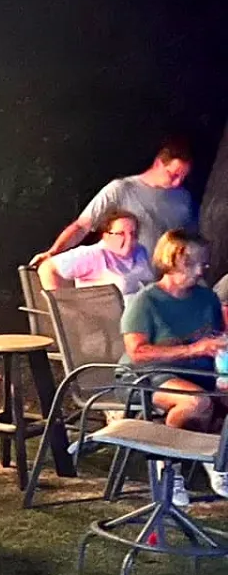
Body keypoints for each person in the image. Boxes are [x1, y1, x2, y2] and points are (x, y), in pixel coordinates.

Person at [122, 229, 228, 433]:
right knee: (196, 402)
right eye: (190, 264)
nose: (199, 272)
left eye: (203, 264)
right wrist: (193, 350)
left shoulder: (207, 298)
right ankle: (169, 460)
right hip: (149, 375)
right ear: (169, 260)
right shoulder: (146, 301)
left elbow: (216, 339)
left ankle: (209, 458)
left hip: (198, 372)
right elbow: (138, 353)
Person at [32, 138, 196, 270]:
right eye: (173, 175)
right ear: (159, 163)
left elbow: (190, 240)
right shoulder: (121, 189)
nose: (177, 183)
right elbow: (82, 226)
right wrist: (54, 252)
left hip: (165, 284)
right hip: (127, 279)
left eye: (182, 178)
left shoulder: (183, 198)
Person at [38, 209, 153, 298]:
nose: (129, 239)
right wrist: (63, 306)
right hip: (103, 322)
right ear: (106, 236)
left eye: (133, 234)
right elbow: (47, 267)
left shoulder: (140, 251)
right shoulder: (94, 255)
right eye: (121, 234)